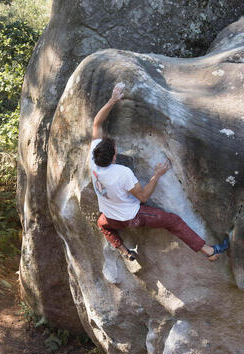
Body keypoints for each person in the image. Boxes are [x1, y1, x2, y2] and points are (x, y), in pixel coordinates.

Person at [89, 83, 230, 262]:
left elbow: (97, 123)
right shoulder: (121, 173)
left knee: (102, 224)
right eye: (116, 150)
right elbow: (143, 197)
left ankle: (125, 252)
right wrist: (157, 175)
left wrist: (113, 99)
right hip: (131, 217)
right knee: (173, 221)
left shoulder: (93, 160)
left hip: (110, 217)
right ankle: (210, 251)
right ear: (113, 158)